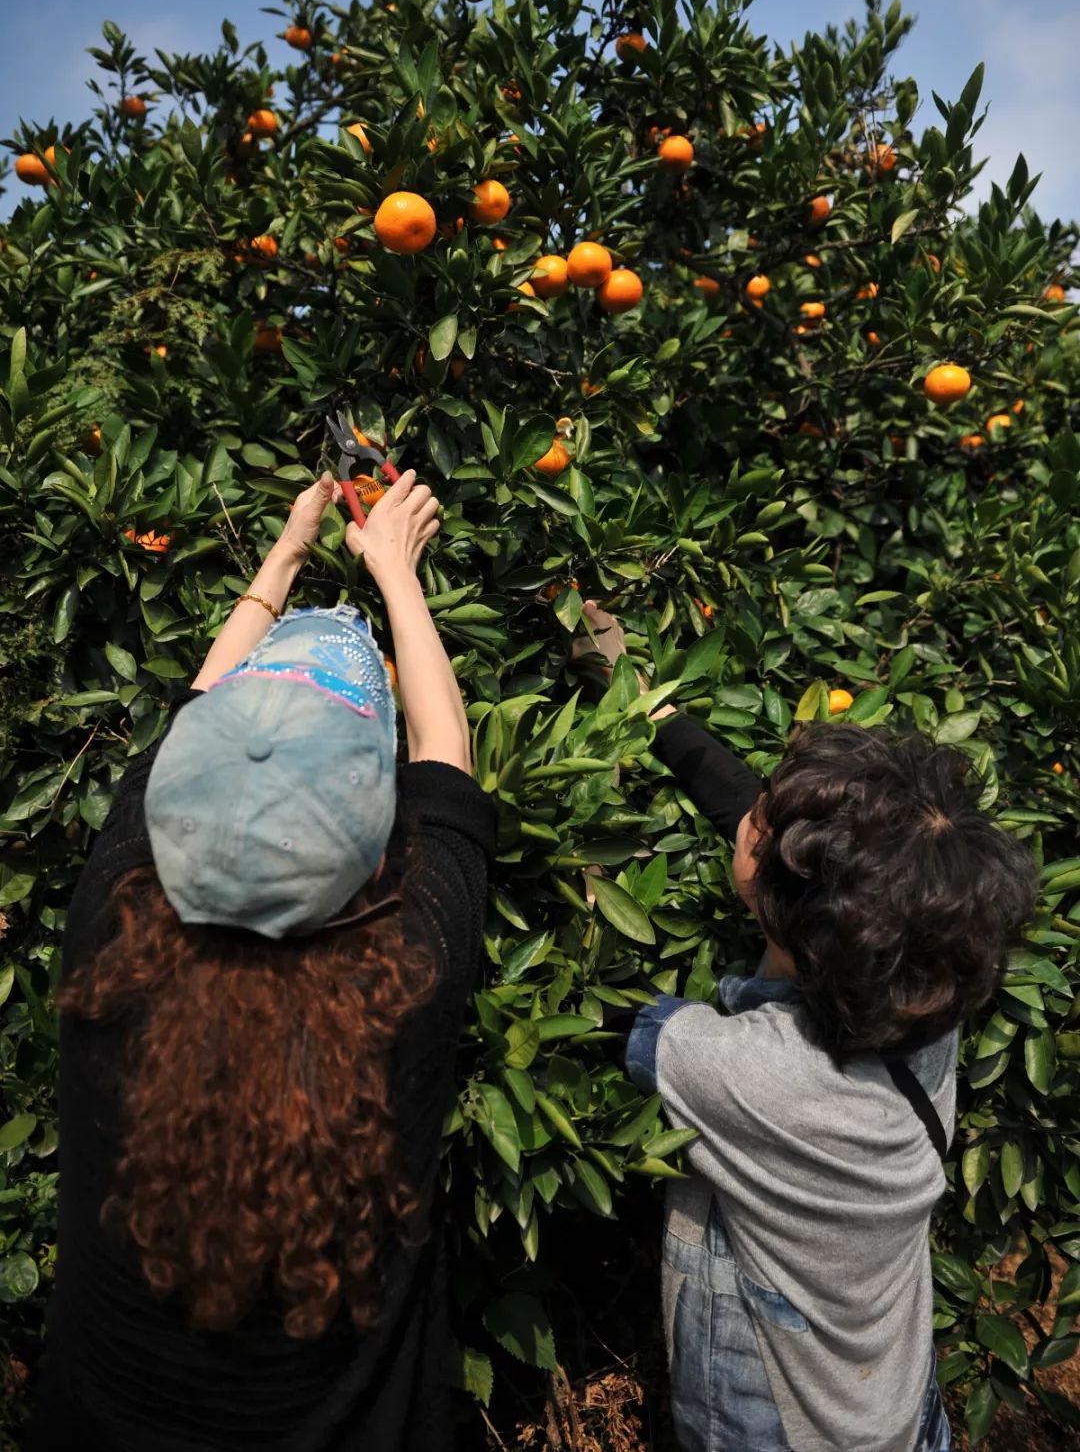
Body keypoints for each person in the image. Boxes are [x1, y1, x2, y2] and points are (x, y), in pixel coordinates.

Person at [30, 468, 494, 1452]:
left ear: (169, 806)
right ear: (377, 852)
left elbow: (201, 704)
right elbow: (444, 748)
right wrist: (395, 574)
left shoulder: (109, 928)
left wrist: (283, 557)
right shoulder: (405, 980)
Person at [574, 602, 1037, 1452]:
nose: (751, 813)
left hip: (778, 1427)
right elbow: (795, 853)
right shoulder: (926, 986)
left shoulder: (742, 1071)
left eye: (763, 817)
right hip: (895, 1409)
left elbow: (592, 1021)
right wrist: (642, 697)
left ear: (791, 907)